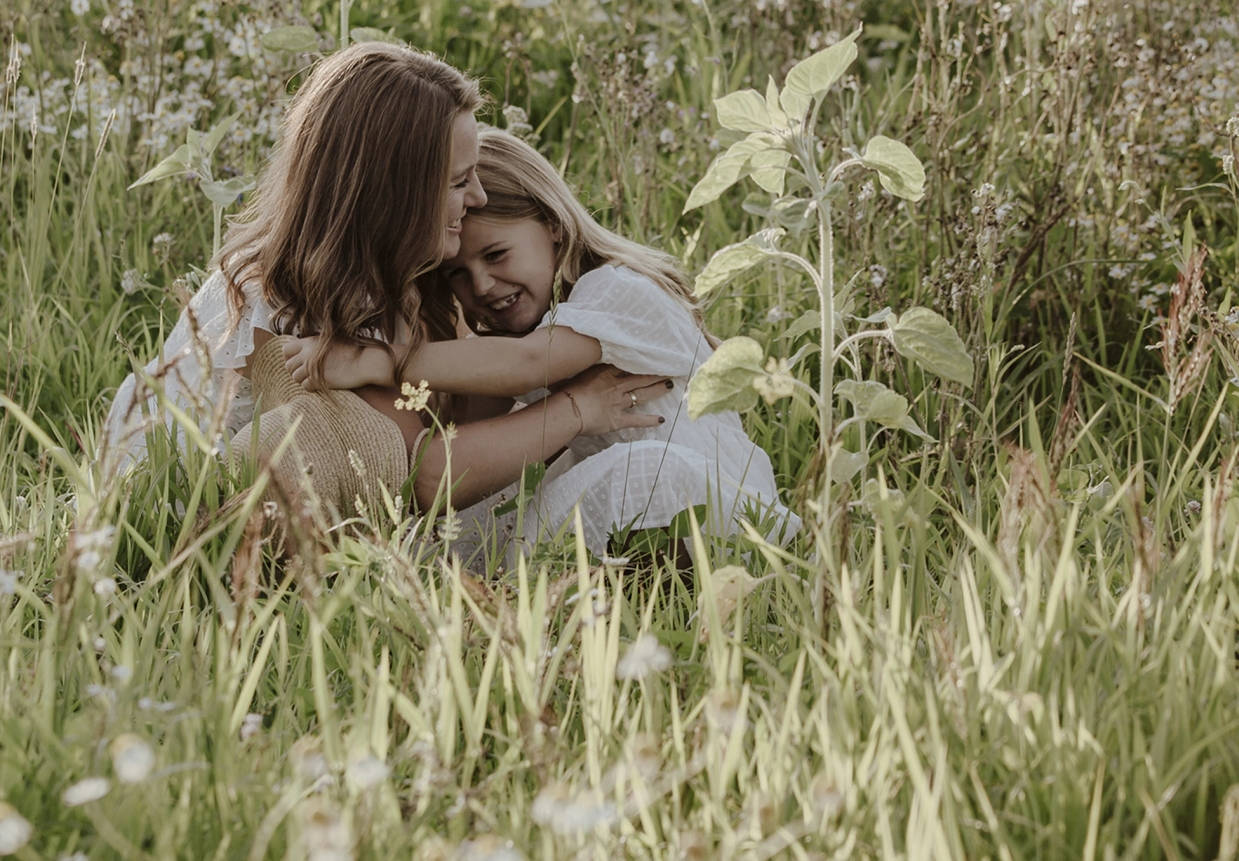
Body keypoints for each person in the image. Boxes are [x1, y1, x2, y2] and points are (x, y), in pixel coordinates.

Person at [101, 45, 669, 529]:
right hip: (185, 524)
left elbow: (464, 426)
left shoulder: (396, 280)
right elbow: (418, 471)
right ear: (394, 196)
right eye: (457, 181)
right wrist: (578, 406)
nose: (477, 198)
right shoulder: (282, 302)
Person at [282, 128, 798, 559]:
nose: (481, 285)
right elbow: (480, 434)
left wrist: (381, 360)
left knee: (639, 471)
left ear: (553, 225)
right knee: (467, 531)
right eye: (459, 275)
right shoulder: (522, 332)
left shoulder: (619, 290)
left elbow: (530, 364)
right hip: (655, 526)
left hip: (719, 515)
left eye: (497, 255)